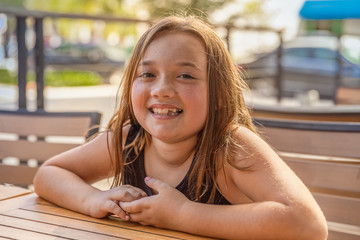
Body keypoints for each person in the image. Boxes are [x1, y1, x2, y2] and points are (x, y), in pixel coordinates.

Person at [34, 15, 328, 239]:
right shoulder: (130, 140)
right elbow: (49, 174)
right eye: (147, 73)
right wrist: (92, 199)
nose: (162, 89)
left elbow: (309, 225)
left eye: (185, 76)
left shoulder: (229, 149)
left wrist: (183, 213)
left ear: (218, 95)